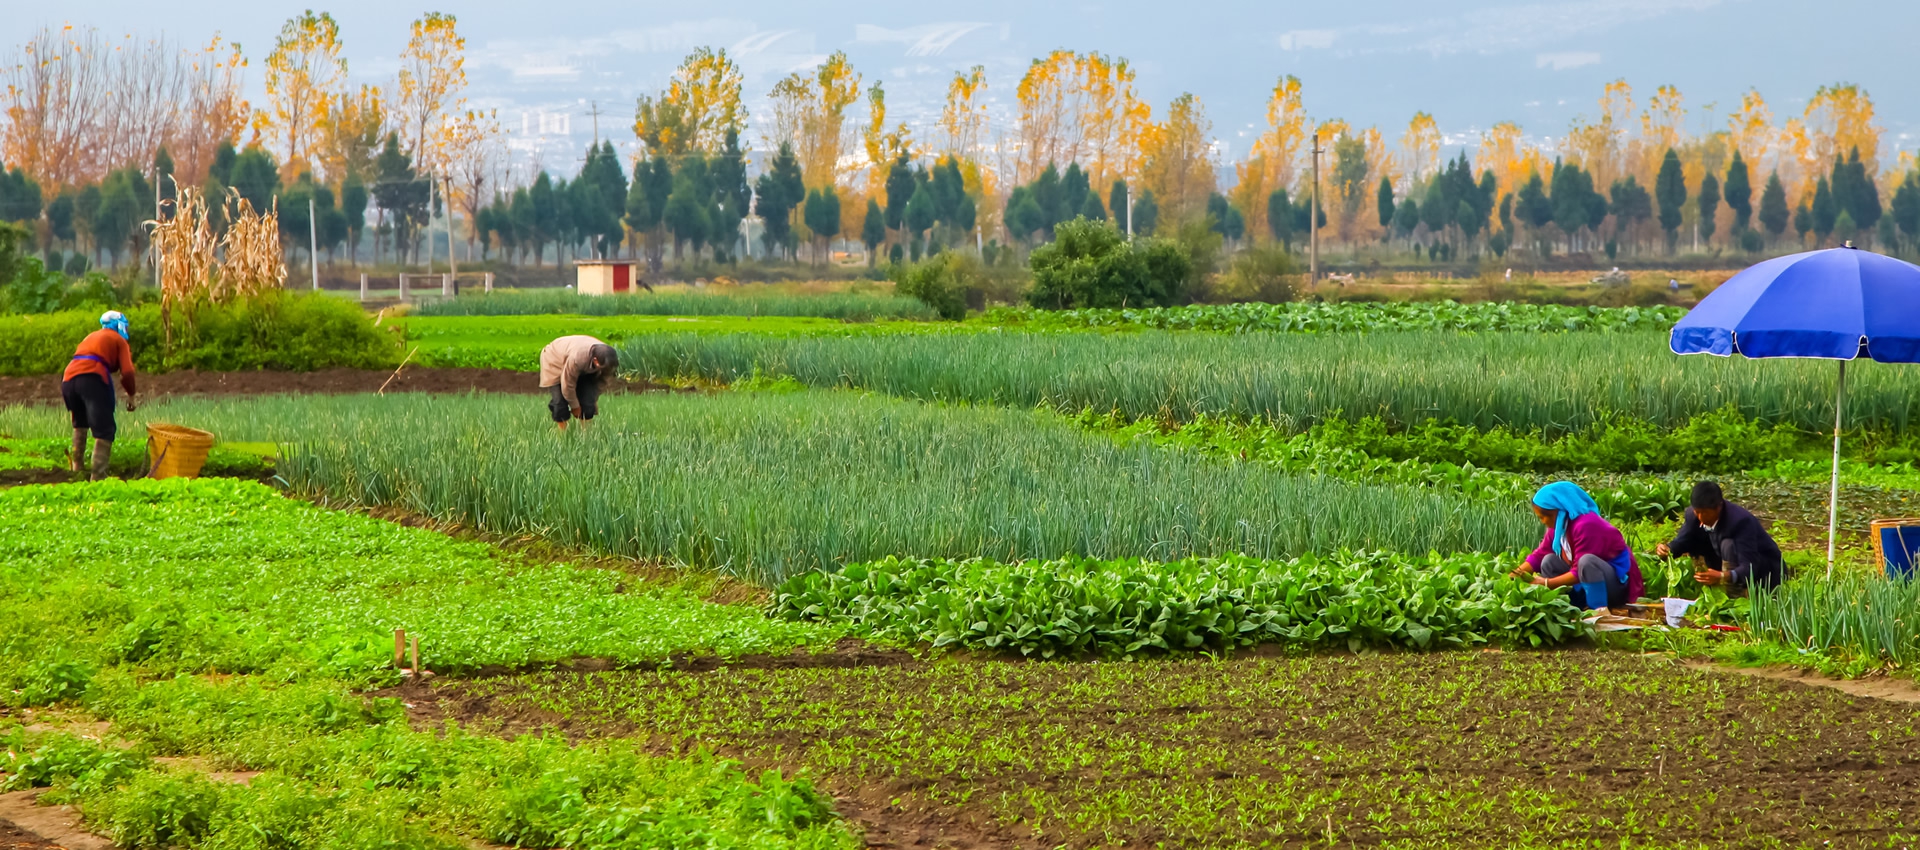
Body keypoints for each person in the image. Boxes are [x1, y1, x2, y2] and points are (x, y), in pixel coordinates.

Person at [1510, 481, 1645, 612]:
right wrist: (1514, 575)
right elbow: (1539, 556)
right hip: (1587, 581)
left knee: (1587, 562)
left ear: (1558, 511)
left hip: (1615, 586)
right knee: (1548, 561)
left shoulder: (1586, 524)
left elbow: (1578, 571)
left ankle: (1599, 610)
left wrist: (1547, 583)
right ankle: (1563, 607)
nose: (1542, 522)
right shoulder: (1559, 526)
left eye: (1543, 517)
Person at [1655, 481, 1783, 594]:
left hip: (1765, 571)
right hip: (1725, 560)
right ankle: (1715, 589)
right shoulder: (1693, 516)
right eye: (1697, 512)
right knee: (1696, 538)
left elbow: (1750, 565)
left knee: (1728, 544)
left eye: (1705, 513)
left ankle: (1735, 593)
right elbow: (1684, 540)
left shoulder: (1740, 521)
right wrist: (1668, 549)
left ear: (1719, 507)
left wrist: (1723, 576)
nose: (1700, 517)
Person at [62, 310, 138, 480]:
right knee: (105, 429)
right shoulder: (119, 340)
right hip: (93, 377)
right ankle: (97, 477)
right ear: (120, 326)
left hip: (68, 379)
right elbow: (127, 372)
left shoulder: (91, 337)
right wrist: (131, 395)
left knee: (80, 423)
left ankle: (77, 470)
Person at [538, 335, 618, 431]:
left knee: (588, 403)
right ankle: (561, 436)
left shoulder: (607, 357)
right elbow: (568, 385)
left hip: (582, 360)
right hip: (554, 359)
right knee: (559, 403)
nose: (606, 370)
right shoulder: (577, 359)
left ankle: (586, 435)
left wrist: (593, 398)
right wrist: (575, 406)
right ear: (595, 361)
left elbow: (601, 380)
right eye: (604, 367)